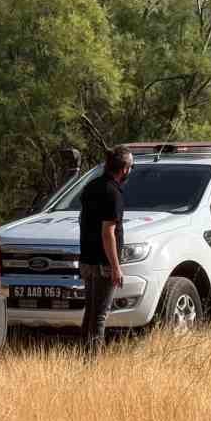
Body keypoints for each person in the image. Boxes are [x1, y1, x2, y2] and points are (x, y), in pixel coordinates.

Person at [78, 146, 133, 351]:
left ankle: (85, 356)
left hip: (87, 259)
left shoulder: (91, 186)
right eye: (131, 167)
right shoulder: (113, 193)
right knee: (100, 315)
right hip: (103, 262)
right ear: (124, 169)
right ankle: (93, 361)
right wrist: (116, 267)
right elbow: (108, 233)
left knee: (90, 312)